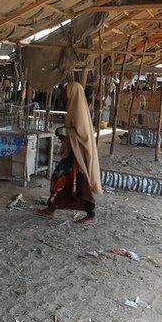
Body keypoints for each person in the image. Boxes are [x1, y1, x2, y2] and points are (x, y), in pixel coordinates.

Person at [36, 81, 103, 225]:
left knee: (64, 178)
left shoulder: (79, 110)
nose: (63, 95)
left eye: (66, 92)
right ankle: (52, 207)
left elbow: (81, 133)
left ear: (73, 92)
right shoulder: (74, 108)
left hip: (78, 154)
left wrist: (64, 131)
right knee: (65, 179)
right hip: (73, 152)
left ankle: (89, 214)